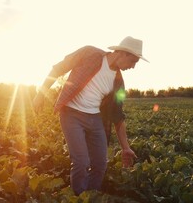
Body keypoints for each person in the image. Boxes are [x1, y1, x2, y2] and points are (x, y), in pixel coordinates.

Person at [32, 36, 148, 195]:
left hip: (95, 120)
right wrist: (40, 93)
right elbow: (58, 68)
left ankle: (91, 196)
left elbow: (118, 115)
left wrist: (125, 147)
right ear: (123, 53)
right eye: (133, 61)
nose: (133, 67)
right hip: (71, 114)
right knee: (81, 162)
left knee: (100, 164)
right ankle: (79, 197)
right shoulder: (89, 53)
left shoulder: (118, 82)